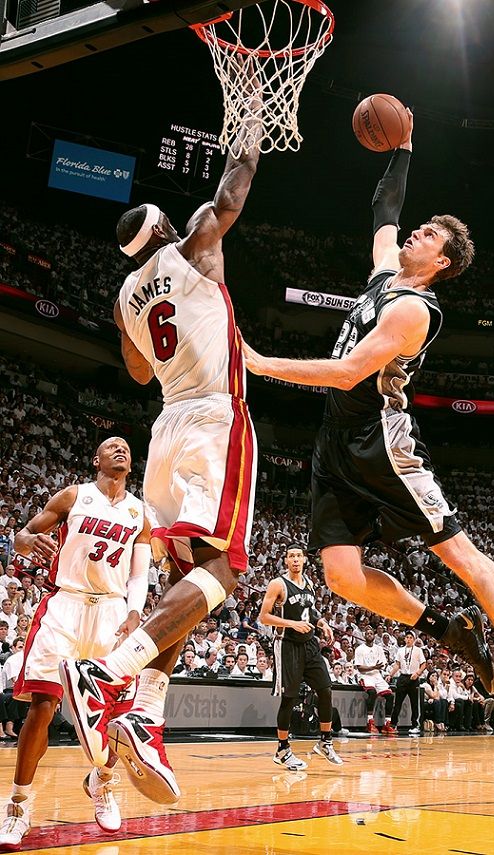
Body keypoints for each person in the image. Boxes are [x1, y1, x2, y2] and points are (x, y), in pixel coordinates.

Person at [243, 111, 494, 738]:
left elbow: (345, 373)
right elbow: (384, 212)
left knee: (459, 554)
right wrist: (404, 148)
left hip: (381, 443)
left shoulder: (414, 309)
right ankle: (449, 632)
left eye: (428, 235)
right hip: (335, 445)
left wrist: (257, 362)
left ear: (442, 261)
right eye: (421, 228)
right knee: (341, 577)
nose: (415, 233)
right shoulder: (386, 275)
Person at [59, 78, 263, 804]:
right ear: (168, 227)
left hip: (164, 431)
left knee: (189, 582)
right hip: (213, 417)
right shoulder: (196, 245)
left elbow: (140, 369)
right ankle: (109, 675)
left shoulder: (123, 300)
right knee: (227, 568)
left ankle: (144, 715)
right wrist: (252, 131)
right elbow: (231, 194)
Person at [0, 438, 150, 849]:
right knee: (43, 706)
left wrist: (134, 611)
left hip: (113, 612)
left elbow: (139, 573)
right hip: (65, 603)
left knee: (119, 714)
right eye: (111, 446)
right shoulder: (73, 496)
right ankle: (18, 804)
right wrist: (27, 542)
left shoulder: (140, 513)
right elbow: (24, 536)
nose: (120, 449)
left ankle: (102, 780)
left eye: (125, 446)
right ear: (96, 460)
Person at [259, 543, 343, 770]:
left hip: (310, 644)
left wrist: (322, 622)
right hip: (287, 645)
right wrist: (292, 624)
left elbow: (310, 611)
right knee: (289, 699)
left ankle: (325, 741)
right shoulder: (278, 584)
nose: (295, 559)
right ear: (286, 560)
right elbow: (264, 617)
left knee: (325, 689)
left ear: (305, 559)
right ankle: (282, 749)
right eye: (291, 556)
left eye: (298, 555)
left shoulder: (309, 583)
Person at [387, 630, 426, 734]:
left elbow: (423, 664)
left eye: (410, 638)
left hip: (413, 678)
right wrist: (390, 675)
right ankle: (393, 724)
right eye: (407, 637)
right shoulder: (400, 650)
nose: (408, 639)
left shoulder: (418, 650)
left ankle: (415, 725)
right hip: (403, 677)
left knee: (414, 703)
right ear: (404, 639)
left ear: (414, 639)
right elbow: (397, 665)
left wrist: (417, 673)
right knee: (397, 702)